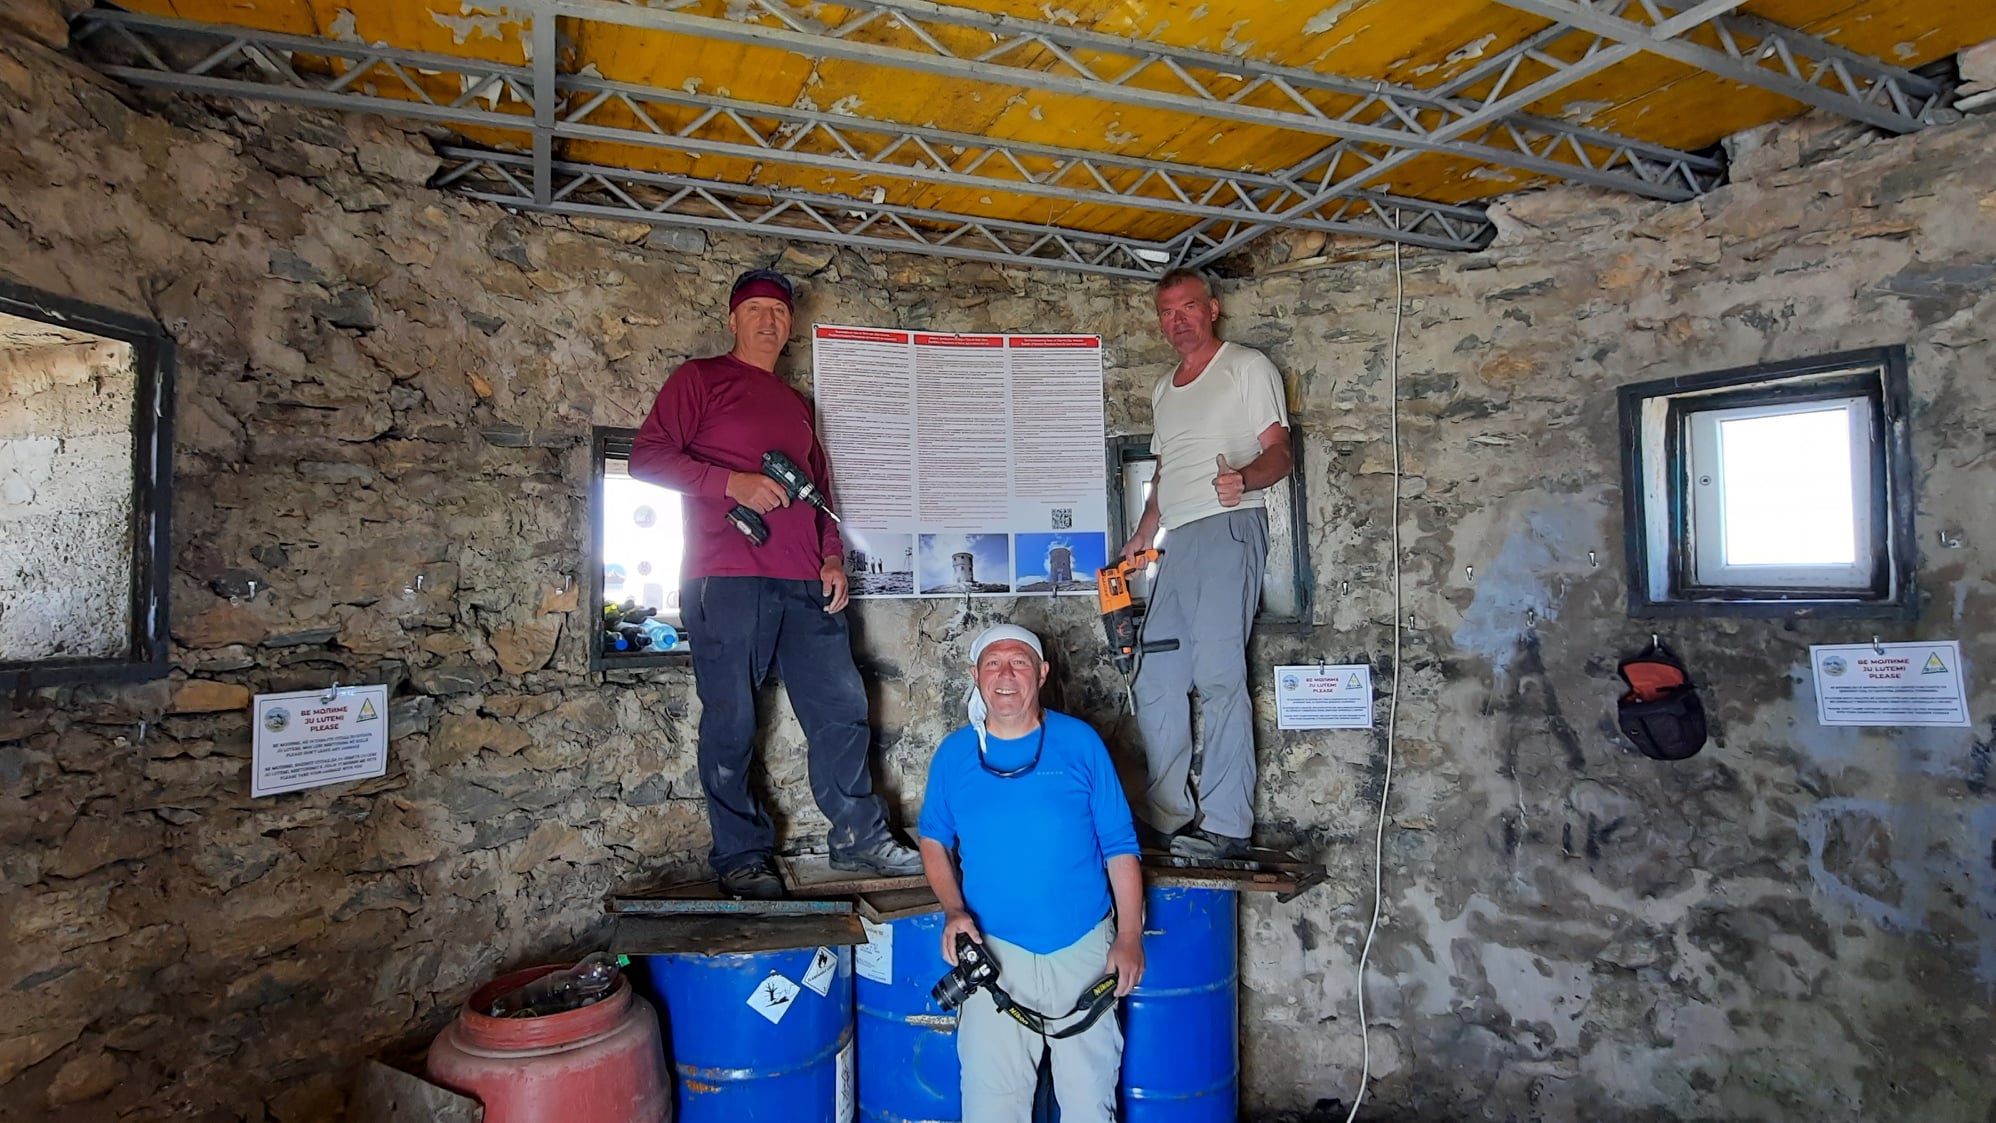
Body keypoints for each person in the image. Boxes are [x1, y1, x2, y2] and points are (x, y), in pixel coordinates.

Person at [630, 268, 922, 898]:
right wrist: (730, 484)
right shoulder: (699, 379)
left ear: (790, 325)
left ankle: (859, 838)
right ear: (733, 320)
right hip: (726, 578)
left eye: (780, 311)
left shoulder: (797, 407)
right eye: (755, 309)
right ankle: (741, 855)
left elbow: (821, 494)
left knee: (841, 710)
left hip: (805, 584)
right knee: (731, 719)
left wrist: (831, 558)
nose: (768, 320)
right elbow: (647, 458)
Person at [918, 623, 1145, 1123]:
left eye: (1019, 662)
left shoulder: (1080, 744)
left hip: (1083, 949)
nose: (1006, 674)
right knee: (991, 1108)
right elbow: (933, 838)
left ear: (1041, 673)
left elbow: (1120, 845)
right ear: (976, 675)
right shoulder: (955, 754)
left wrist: (1129, 935)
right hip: (993, 955)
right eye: (993, 664)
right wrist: (953, 910)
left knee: (1089, 1104)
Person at [1120, 268, 1293, 861]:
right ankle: (1166, 815)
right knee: (1156, 676)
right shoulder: (1164, 390)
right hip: (1177, 541)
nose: (1179, 321)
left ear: (1213, 309)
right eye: (1167, 312)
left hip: (1229, 530)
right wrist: (1144, 533)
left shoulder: (1247, 367)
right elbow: (1165, 472)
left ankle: (1226, 824)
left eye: (1189, 307)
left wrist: (1243, 479)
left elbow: (1281, 452)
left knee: (1220, 676)